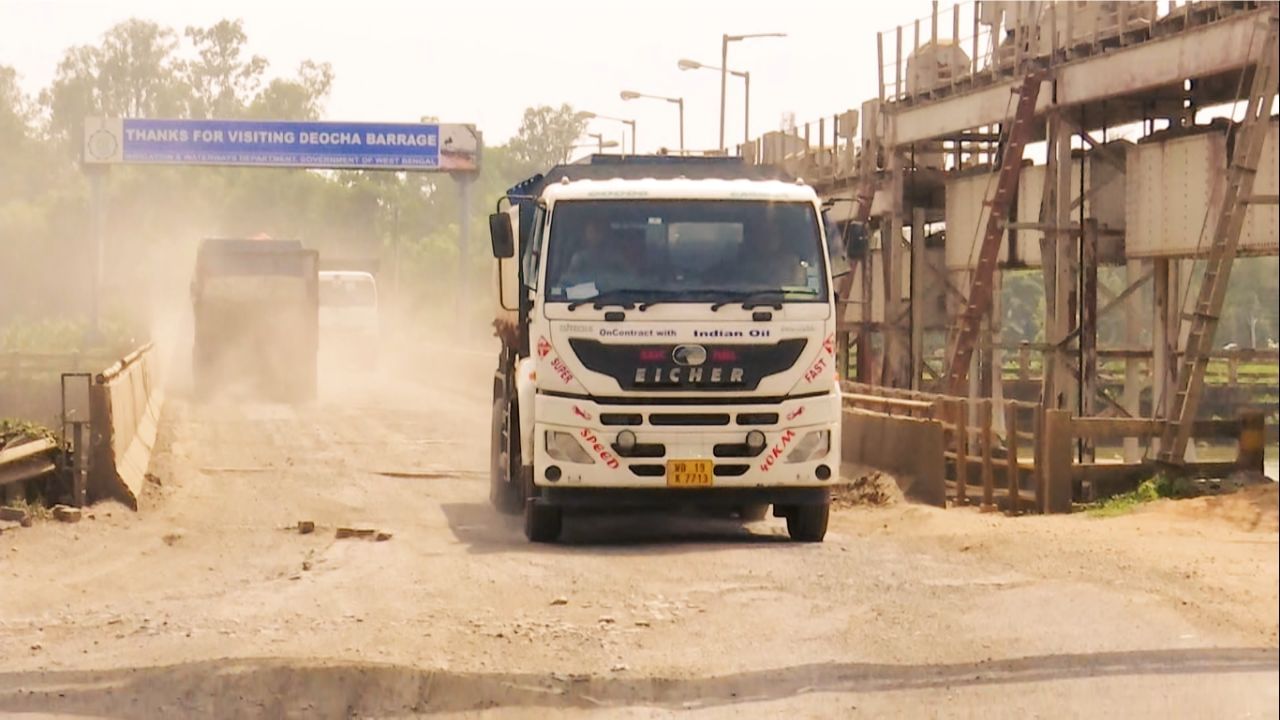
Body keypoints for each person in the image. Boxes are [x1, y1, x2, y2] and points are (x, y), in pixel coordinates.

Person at [559, 218, 634, 294]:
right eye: (592, 232)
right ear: (585, 235)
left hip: (617, 298)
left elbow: (632, 282)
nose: (596, 236)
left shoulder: (616, 259)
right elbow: (567, 284)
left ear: (606, 234)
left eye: (599, 232)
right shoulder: (579, 259)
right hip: (583, 300)